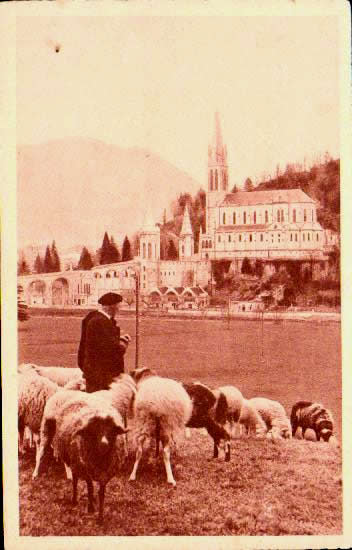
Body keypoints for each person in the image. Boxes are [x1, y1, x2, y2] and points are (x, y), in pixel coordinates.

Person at [77, 292, 131, 393]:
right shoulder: (100, 322)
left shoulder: (96, 319)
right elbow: (109, 349)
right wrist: (123, 343)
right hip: (102, 375)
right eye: (118, 305)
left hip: (97, 373)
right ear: (111, 307)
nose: (119, 309)